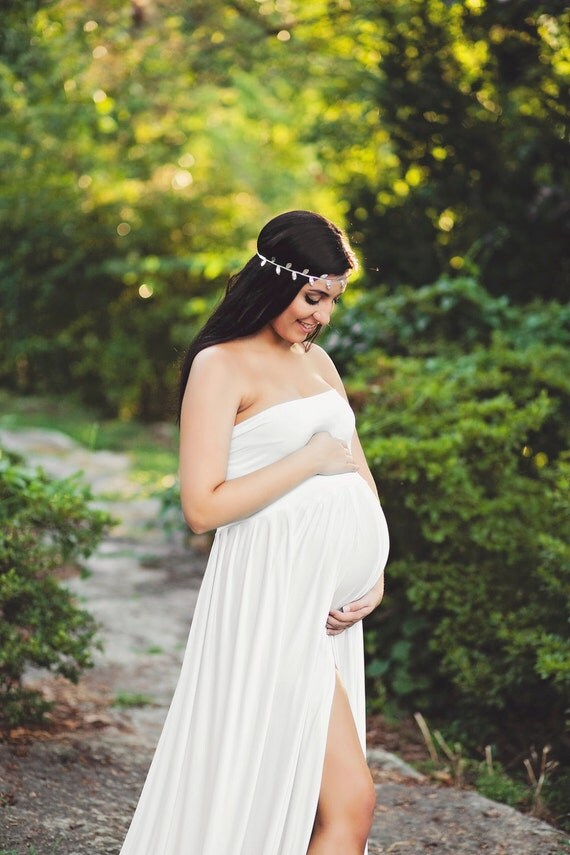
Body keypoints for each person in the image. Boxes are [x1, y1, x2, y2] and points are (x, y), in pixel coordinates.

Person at [119, 210, 389, 855]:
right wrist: (308, 459)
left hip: (322, 607)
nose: (321, 315)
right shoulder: (221, 366)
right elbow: (203, 507)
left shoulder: (317, 359)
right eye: (312, 297)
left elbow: (356, 464)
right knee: (348, 802)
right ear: (272, 283)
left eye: (331, 301)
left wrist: (373, 572)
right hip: (269, 604)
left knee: (301, 798)